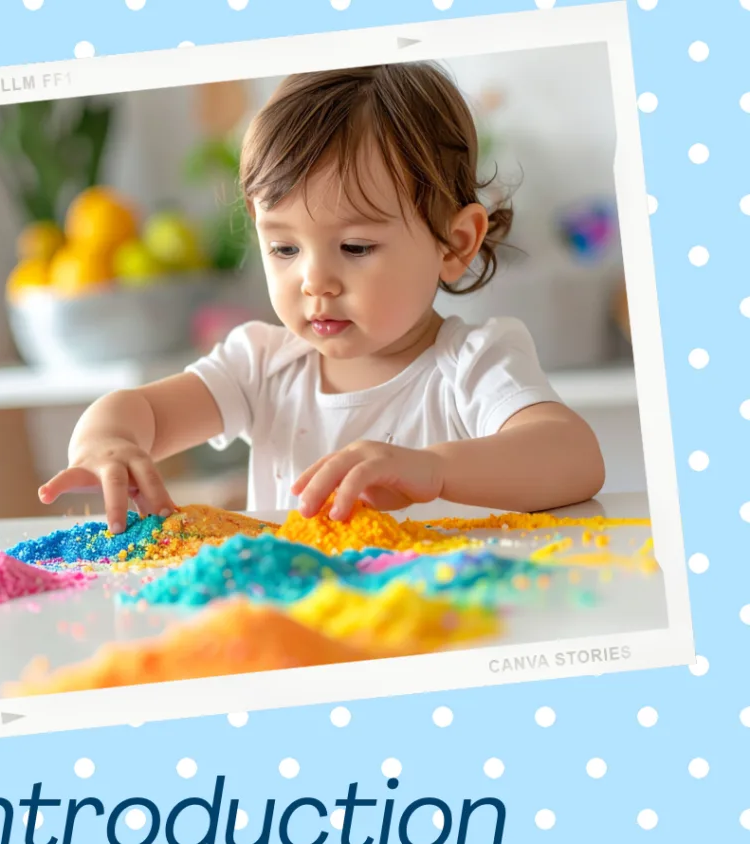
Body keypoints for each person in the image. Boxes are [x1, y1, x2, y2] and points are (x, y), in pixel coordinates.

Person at [39, 62, 605, 532]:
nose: (315, 281)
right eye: (284, 249)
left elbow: (574, 458)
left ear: (454, 244)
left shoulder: (472, 363)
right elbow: (141, 411)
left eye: (355, 247)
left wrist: (432, 469)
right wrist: (107, 441)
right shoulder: (260, 365)